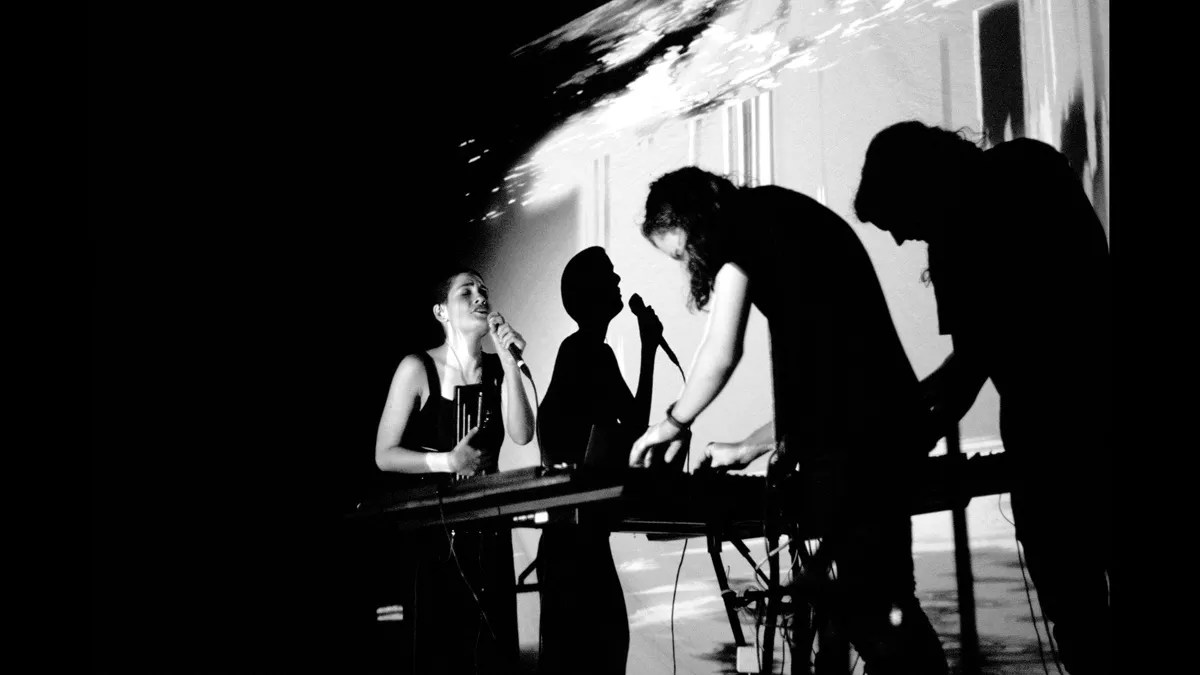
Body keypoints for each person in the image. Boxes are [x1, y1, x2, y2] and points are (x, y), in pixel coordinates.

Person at [628, 167, 948, 674]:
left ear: (695, 223)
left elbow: (720, 351)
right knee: (881, 604)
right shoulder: (777, 217)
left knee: (874, 611)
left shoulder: (742, 230)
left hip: (859, 443)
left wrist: (672, 423)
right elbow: (828, 372)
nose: (689, 266)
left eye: (682, 253)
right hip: (874, 428)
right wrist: (751, 446)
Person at [853, 120, 1113, 674]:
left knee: (1080, 621)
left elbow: (970, 370)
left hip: (1047, 444)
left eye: (896, 221)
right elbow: (977, 357)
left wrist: (901, 446)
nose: (900, 240)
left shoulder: (953, 244)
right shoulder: (1033, 164)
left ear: (914, 186)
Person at [374, 267, 536, 674]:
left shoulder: (498, 369)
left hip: (488, 529)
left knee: (494, 648)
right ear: (441, 311)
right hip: (436, 532)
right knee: (443, 648)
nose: (480, 296)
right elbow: (384, 454)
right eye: (466, 291)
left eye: (483, 289)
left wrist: (511, 362)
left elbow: (522, 433)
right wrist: (448, 461)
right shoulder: (417, 367)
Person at [535, 247, 662, 675]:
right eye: (609, 274)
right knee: (599, 650)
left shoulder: (591, 352)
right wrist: (648, 349)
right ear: (590, 291)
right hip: (573, 542)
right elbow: (633, 428)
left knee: (601, 650)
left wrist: (648, 349)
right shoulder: (583, 352)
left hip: (580, 539)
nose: (618, 280)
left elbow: (632, 425)